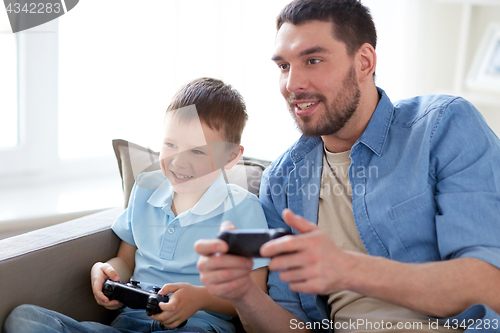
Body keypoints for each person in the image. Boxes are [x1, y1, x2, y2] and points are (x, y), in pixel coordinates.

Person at [195, 1, 500, 332]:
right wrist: (244, 295)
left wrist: (347, 269)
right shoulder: (282, 180)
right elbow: (294, 325)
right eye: (284, 66)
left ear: (364, 62)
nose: (292, 84)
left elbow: (488, 284)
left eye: (313, 60)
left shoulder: (442, 127)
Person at [3, 77, 269, 333]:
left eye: (197, 151)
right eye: (171, 144)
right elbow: (126, 261)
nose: (178, 162)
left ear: (231, 156)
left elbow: (256, 296)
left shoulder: (244, 208)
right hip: (130, 323)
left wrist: (199, 299)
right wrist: (106, 272)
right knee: (25, 320)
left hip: (197, 326)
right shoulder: (146, 188)